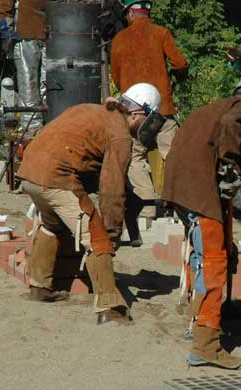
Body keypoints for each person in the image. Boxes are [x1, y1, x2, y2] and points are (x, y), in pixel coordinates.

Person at [18, 83, 164, 325]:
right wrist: (112, 232)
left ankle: (40, 287)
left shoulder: (92, 110)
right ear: (138, 113)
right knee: (97, 239)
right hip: (56, 177)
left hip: (29, 172)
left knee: (52, 226)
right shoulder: (120, 134)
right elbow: (111, 189)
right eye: (147, 119)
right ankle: (109, 308)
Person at [162, 77, 241, 370]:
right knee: (213, 263)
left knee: (204, 256)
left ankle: (200, 317)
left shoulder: (209, 108)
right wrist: (230, 165)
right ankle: (206, 345)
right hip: (201, 195)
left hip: (180, 190)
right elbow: (233, 126)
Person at [111, 0, 189, 237]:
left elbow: (116, 75)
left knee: (135, 158)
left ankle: (146, 211)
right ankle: (180, 209)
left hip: (133, 112)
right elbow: (180, 63)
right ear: (147, 11)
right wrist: (177, 78)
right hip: (163, 110)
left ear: (130, 13)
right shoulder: (161, 33)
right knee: (175, 157)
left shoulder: (120, 39)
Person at [0, 0, 67, 133]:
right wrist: (6, 27)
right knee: (28, 81)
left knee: (50, 80)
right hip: (25, 29)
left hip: (52, 29)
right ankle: (31, 128)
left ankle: (52, 125)